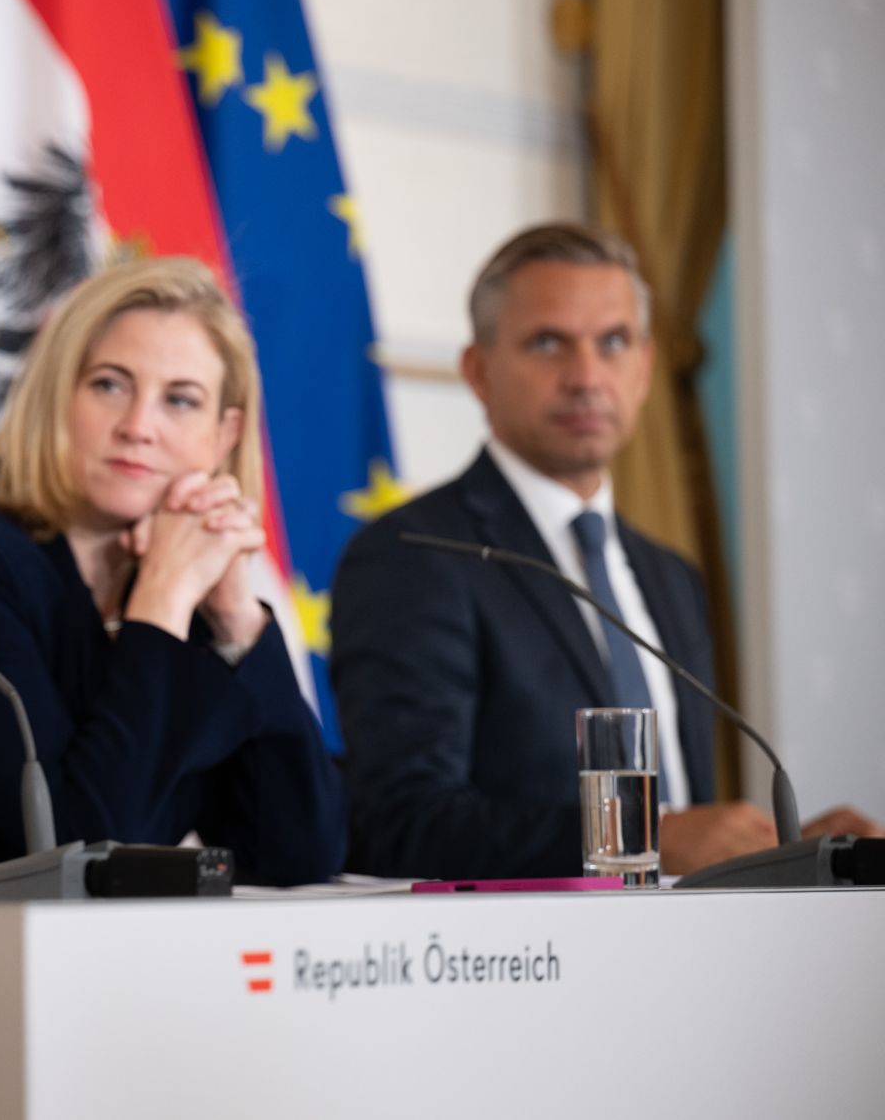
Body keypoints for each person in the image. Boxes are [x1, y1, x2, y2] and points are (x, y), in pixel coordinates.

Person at [330, 222, 877, 879]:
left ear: (644, 366)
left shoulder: (670, 576)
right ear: (477, 370)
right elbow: (400, 823)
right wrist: (650, 833)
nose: (586, 376)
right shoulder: (413, 555)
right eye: (548, 342)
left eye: (613, 342)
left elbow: (687, 832)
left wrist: (784, 847)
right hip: (519, 968)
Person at [0, 257, 347, 902]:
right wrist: (161, 605)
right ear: (58, 396)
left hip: (117, 972)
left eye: (180, 400)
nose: (139, 426)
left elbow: (297, 854)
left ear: (225, 434)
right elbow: (77, 848)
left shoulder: (191, 594)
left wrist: (238, 621)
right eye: (109, 385)